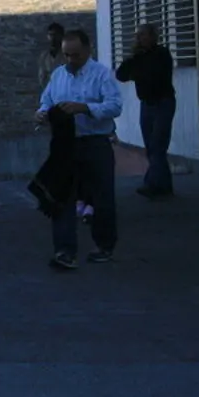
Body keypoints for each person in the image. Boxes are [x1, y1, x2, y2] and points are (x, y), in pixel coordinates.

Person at [37, 29, 123, 269]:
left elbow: (115, 106)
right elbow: (46, 99)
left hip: (95, 142)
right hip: (66, 144)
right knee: (62, 197)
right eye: (66, 55)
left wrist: (84, 108)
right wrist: (42, 112)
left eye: (75, 55)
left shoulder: (101, 75)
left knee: (102, 196)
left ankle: (104, 245)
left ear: (88, 50)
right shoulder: (58, 75)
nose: (70, 60)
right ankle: (65, 251)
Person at [116, 23, 176, 199]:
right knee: (151, 146)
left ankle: (153, 184)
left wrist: (138, 72)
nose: (140, 38)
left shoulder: (161, 54)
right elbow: (121, 74)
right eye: (138, 36)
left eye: (143, 35)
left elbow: (156, 75)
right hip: (146, 104)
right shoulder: (138, 57)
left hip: (163, 102)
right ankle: (164, 186)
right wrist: (134, 58)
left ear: (152, 36)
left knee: (158, 143)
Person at [38, 22, 66, 89]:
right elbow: (42, 78)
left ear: (62, 36)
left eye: (56, 35)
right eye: (51, 35)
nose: (53, 38)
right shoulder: (44, 56)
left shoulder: (68, 55)